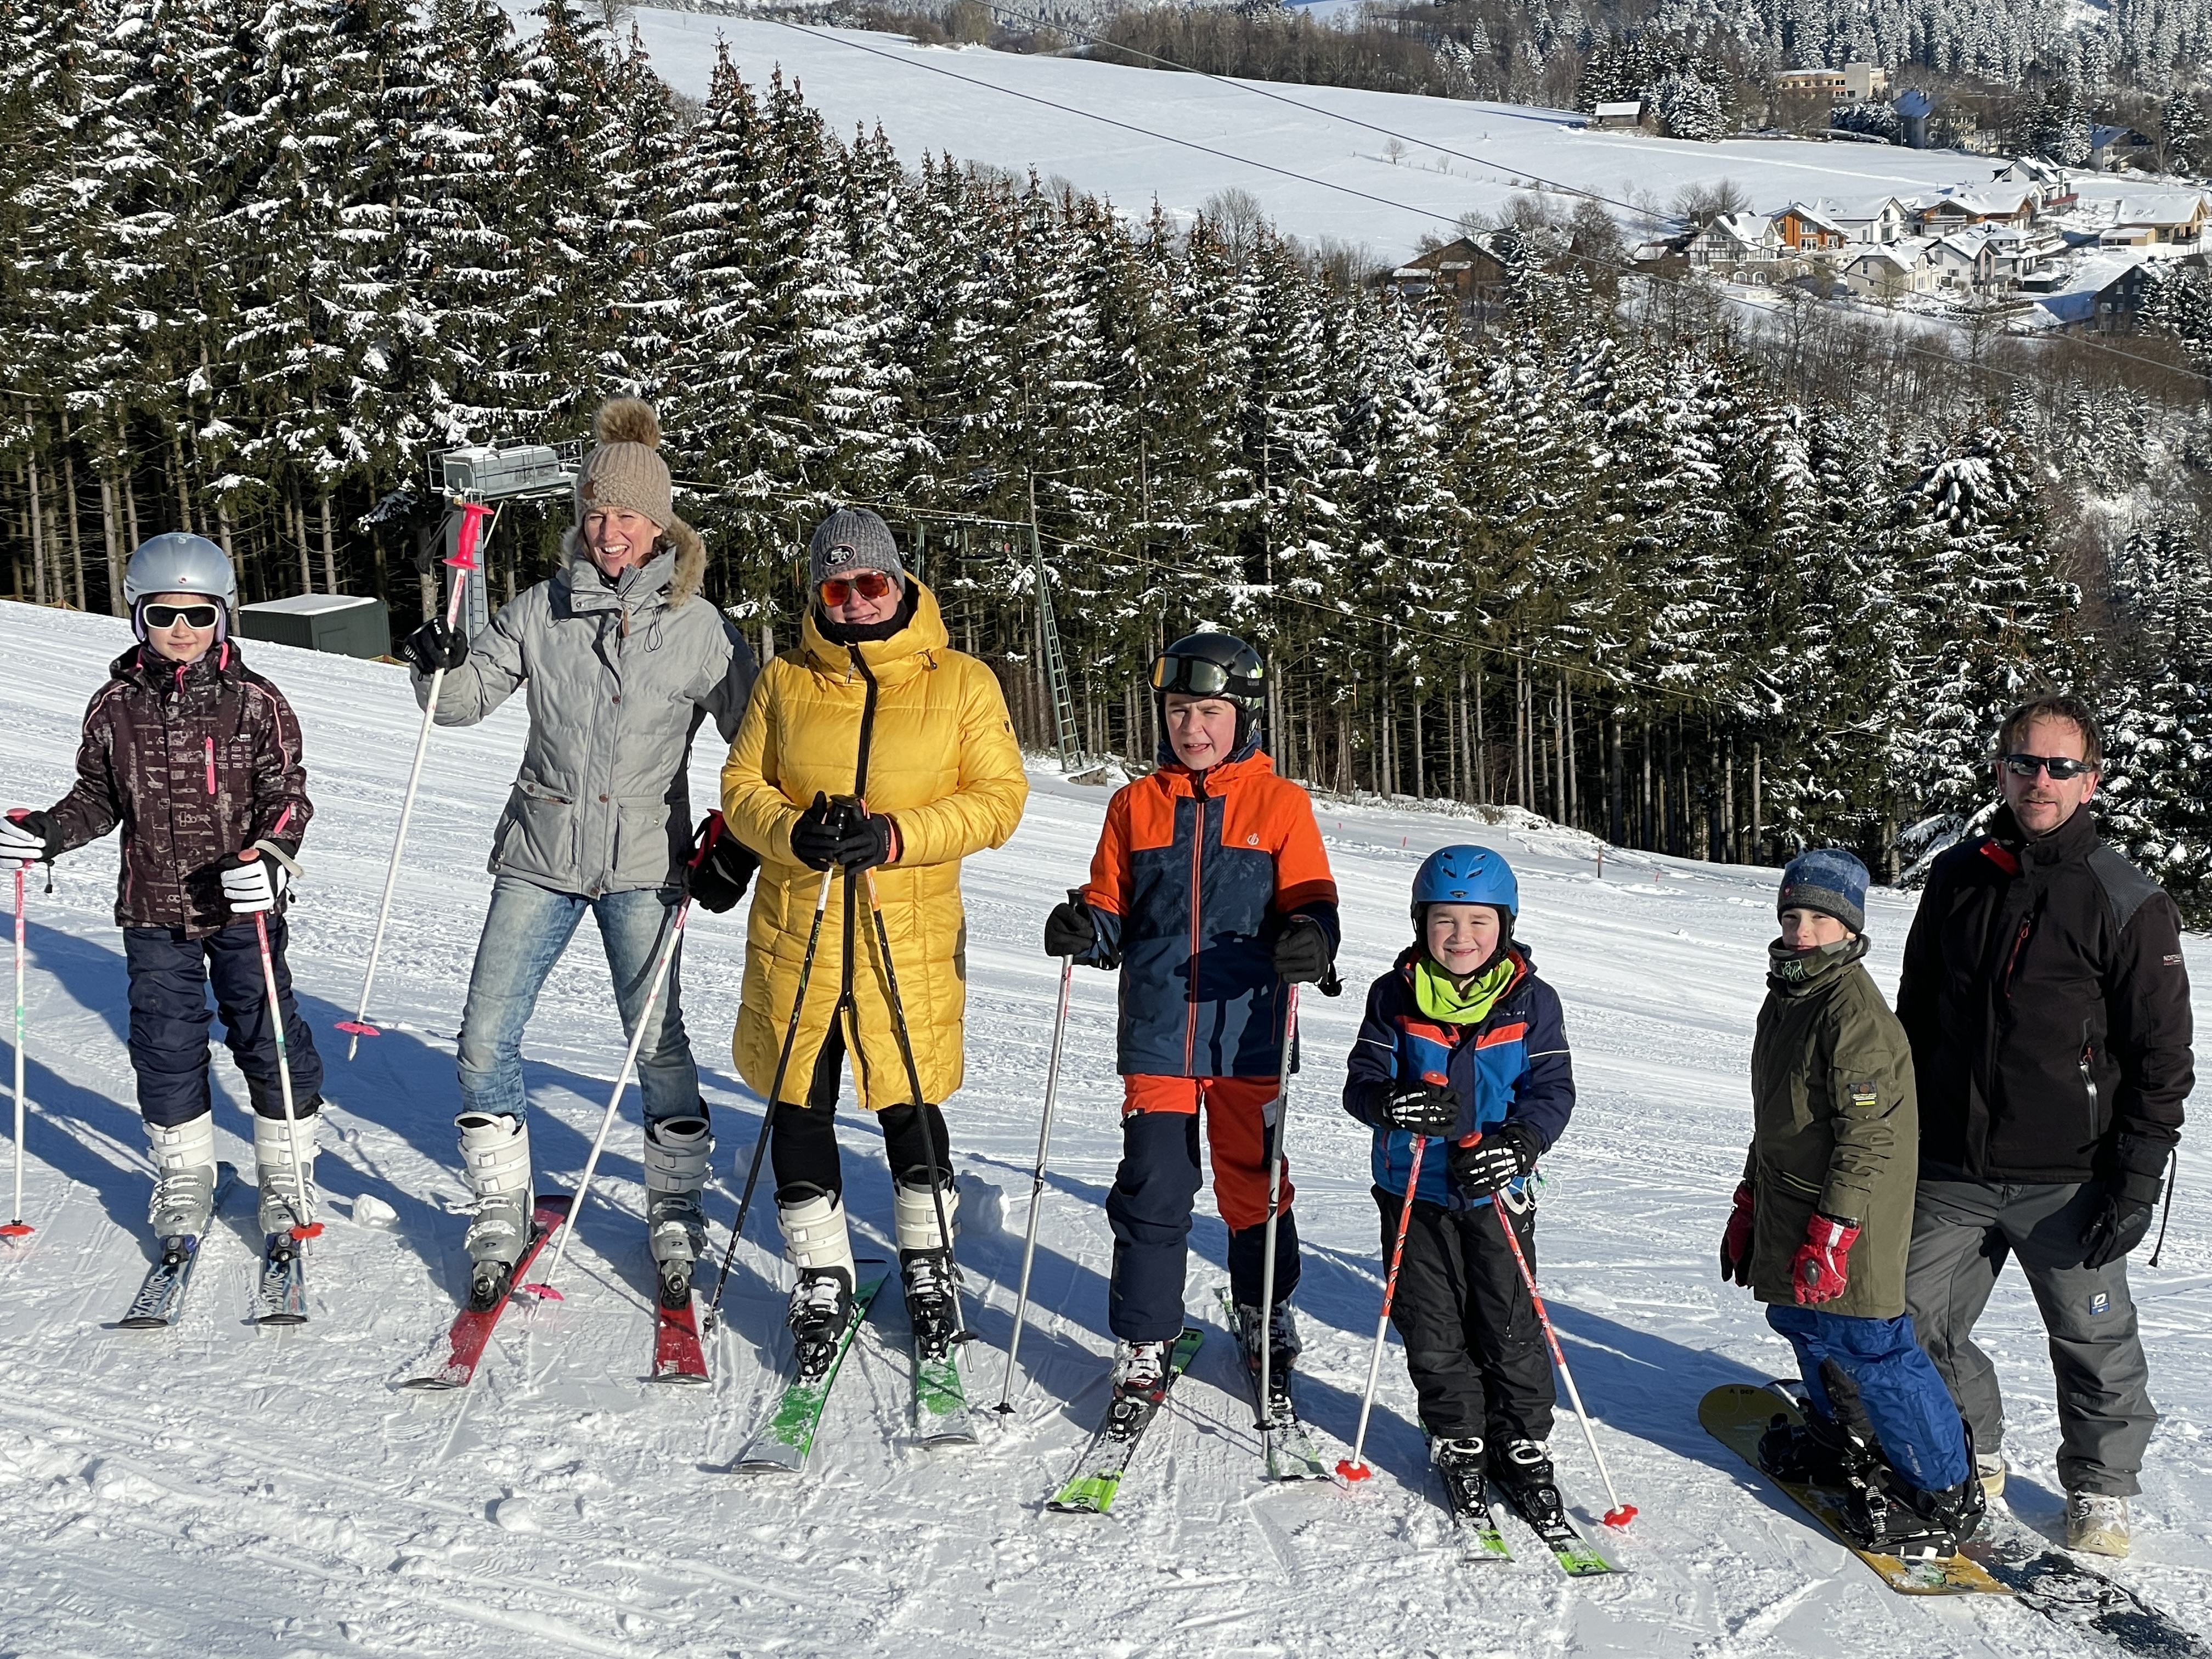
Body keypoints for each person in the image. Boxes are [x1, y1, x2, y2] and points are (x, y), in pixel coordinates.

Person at [403, 398, 757, 1311]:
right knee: (486, 1036)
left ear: (658, 523)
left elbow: (758, 734)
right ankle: (500, 1202)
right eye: (596, 511)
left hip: (646, 857)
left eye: (627, 515)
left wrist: (738, 832)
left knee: (659, 1047)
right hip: (541, 850)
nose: (609, 529)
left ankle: (674, 1205)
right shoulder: (539, 610)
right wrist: (432, 657)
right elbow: (457, 702)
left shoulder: (700, 625)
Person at [720, 507, 1026, 1364]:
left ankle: (929, 1260)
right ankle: (821, 1270)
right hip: (801, 924)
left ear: (897, 582)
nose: (854, 601)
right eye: (836, 586)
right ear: (817, 592)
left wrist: (894, 837)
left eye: (870, 583)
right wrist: (790, 833)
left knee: (909, 1094)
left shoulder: (963, 682)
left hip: (908, 926)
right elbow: (742, 784)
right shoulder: (784, 680)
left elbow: (999, 800)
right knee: (798, 1097)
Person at [1896, 695, 2191, 1558]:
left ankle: (2100, 1486)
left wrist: (2135, 1177)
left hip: (2068, 1173)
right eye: (2025, 762)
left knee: (2093, 1338)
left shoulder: (2127, 900)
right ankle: (1970, 1445)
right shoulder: (1958, 876)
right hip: (1949, 1163)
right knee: (1908, 1319)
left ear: (2091, 780)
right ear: (2000, 768)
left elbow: (2162, 1056)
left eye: (2061, 766)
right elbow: (1916, 1017)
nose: (2041, 780)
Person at [0, 534, 322, 1249]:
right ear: (137, 617)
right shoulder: (114, 705)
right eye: (164, 614)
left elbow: (288, 797)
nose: (182, 631)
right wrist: (50, 831)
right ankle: (185, 1175)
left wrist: (271, 854)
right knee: (165, 1042)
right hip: (152, 908)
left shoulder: (255, 701)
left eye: (199, 615)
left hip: (241, 904)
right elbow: (98, 796)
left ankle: (287, 1171)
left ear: (225, 616)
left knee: (268, 1034)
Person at [1044, 633, 1339, 1408]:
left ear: (1244, 716)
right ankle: (1145, 1341)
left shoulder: (1281, 805)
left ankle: (1264, 1310)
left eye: (1210, 711)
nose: (1192, 728)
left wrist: (1311, 938)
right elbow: (1110, 906)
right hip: (1158, 1033)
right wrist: (1085, 926)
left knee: (1256, 1185)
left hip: (1252, 1036)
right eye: (1179, 711)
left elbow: (1312, 901)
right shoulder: (1134, 805)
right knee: (1154, 1185)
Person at [1720, 848, 1985, 1556]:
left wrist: (1834, 1233)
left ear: (1850, 929)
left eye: (1819, 919)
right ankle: (1840, 1437)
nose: (1802, 930)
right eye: (1792, 914)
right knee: (1802, 1323)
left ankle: (1942, 1488)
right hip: (1791, 1203)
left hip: (1848, 1214)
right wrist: (1750, 1198)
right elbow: (1774, 1116)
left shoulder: (1853, 1014)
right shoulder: (1789, 997)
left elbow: (1869, 1139)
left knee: (1873, 1345)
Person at [1341, 845, 1576, 1526]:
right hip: (1413, 1187)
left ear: (1504, 925)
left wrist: (1519, 1145)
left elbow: (1552, 1090)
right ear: (1422, 924)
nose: (1462, 937)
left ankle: (1522, 1438)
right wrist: (1394, 1103)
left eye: (1478, 921)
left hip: (1495, 1187)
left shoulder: (1532, 1000)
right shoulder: (1395, 995)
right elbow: (1361, 1082)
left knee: (1509, 1319)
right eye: (1445, 920)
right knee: (1433, 1320)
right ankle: (1457, 1430)